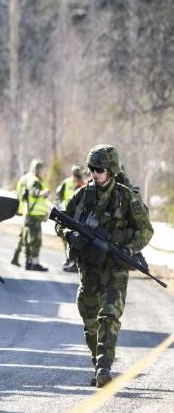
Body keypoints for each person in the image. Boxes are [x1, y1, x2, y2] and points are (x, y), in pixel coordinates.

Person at [55, 145, 153, 387]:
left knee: (109, 316)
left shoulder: (125, 196)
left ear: (111, 170)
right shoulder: (82, 195)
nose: (94, 173)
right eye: (91, 169)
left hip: (116, 266)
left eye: (99, 169)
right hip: (89, 266)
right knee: (89, 319)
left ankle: (104, 367)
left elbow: (145, 230)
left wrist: (128, 249)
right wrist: (69, 235)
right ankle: (97, 360)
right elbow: (61, 221)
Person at [15, 159, 50, 271]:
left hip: (33, 215)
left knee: (29, 240)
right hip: (33, 215)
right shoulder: (35, 181)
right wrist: (43, 193)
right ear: (38, 170)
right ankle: (33, 263)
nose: (43, 171)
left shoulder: (34, 179)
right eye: (42, 169)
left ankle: (29, 262)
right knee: (35, 241)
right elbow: (33, 192)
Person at [56, 165, 86, 272]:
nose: (77, 177)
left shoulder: (82, 184)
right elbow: (58, 196)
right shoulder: (66, 182)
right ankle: (69, 259)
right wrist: (60, 207)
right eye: (76, 175)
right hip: (67, 214)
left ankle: (74, 262)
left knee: (77, 238)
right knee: (67, 237)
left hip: (78, 216)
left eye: (78, 175)